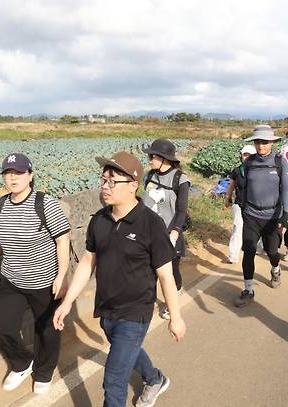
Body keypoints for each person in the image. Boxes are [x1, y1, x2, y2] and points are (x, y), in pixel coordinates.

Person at [53, 151, 186, 407]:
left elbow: (166, 275)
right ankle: (154, 379)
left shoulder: (151, 224)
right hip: (107, 310)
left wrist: (176, 317)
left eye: (113, 181)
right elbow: (88, 262)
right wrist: (67, 302)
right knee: (129, 352)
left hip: (136, 312)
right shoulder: (100, 221)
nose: (105, 186)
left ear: (133, 185)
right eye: (103, 180)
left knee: (114, 378)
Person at [0, 153, 71, 394]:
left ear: (30, 176)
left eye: (18, 173)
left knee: (47, 330)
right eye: (8, 173)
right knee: (3, 327)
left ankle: (44, 371)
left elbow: (62, 240)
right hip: (12, 279)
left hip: (44, 280)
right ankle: (22, 363)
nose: (12, 178)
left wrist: (62, 275)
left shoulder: (45, 204)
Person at [234, 125, 288, 307]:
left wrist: (285, 215)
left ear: (272, 143)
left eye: (265, 142)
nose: (261, 146)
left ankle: (275, 268)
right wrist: (242, 207)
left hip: (272, 216)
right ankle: (248, 289)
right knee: (248, 252)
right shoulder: (249, 162)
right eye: (258, 142)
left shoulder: (280, 162)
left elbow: (286, 190)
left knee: (272, 252)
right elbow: (243, 186)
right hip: (251, 214)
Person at [142, 139, 190, 319]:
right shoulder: (150, 176)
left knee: (170, 270)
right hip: (149, 233)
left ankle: (173, 299)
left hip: (170, 233)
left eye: (152, 156)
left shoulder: (180, 179)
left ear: (164, 158)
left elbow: (181, 210)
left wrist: (175, 232)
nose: (149, 160)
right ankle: (146, 302)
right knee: (148, 269)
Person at [224, 145, 257, 264]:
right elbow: (231, 185)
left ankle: (256, 247)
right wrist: (227, 198)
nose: (246, 157)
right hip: (239, 203)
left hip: (255, 205)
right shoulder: (237, 170)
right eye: (245, 155)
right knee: (237, 228)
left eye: (249, 155)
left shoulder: (259, 170)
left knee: (254, 229)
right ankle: (233, 255)